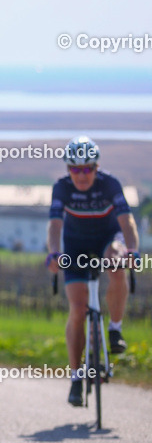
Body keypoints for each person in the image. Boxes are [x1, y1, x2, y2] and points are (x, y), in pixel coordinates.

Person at [45, 136, 139, 407]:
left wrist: (131, 250)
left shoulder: (109, 184)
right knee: (77, 309)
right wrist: (53, 253)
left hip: (108, 240)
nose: (82, 175)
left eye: (88, 168)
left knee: (116, 262)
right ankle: (76, 378)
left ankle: (115, 329)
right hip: (75, 246)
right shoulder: (61, 189)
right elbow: (54, 226)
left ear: (96, 168)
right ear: (68, 170)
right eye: (76, 169)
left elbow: (127, 221)